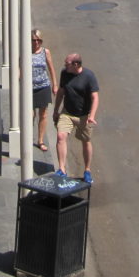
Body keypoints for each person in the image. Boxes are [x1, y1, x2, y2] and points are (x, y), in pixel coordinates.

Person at [53, 53, 99, 184]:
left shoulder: (88, 76)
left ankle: (87, 170)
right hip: (67, 112)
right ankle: (62, 169)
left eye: (67, 64)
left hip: (84, 115)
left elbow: (95, 97)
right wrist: (56, 110)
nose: (65, 66)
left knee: (86, 141)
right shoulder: (65, 73)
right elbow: (61, 92)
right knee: (61, 136)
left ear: (76, 65)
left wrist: (92, 116)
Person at [31, 29, 58, 151]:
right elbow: (20, 67)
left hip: (43, 85)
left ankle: (40, 140)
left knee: (43, 114)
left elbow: (51, 68)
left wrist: (55, 84)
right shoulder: (26, 52)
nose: (36, 42)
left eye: (38, 40)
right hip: (30, 87)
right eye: (34, 40)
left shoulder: (45, 52)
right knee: (30, 114)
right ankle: (28, 136)